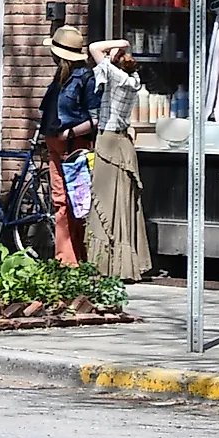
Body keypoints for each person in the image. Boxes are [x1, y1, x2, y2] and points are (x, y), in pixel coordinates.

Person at [82, 38, 151, 280]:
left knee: (104, 201)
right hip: (123, 142)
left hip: (109, 142)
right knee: (123, 203)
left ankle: (106, 264)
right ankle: (125, 263)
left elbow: (93, 47)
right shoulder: (133, 80)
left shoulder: (115, 75)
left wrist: (118, 44)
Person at [37, 23, 97, 265]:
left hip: (74, 147)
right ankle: (67, 259)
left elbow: (96, 118)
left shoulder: (85, 78)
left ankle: (74, 259)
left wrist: (70, 133)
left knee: (77, 202)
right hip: (55, 144)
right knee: (61, 200)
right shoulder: (59, 78)